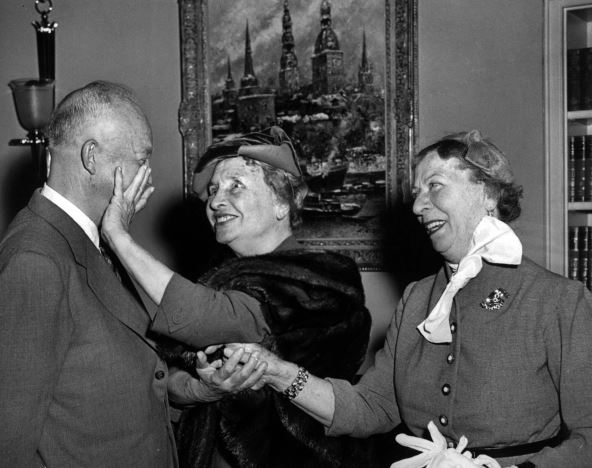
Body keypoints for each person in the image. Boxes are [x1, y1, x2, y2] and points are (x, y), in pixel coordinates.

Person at [225, 130, 592, 468]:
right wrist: (276, 371)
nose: (418, 206)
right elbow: (370, 407)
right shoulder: (417, 298)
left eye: (435, 186)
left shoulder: (559, 300)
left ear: (488, 194)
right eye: (417, 192)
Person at [0, 80, 261, 468]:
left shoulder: (91, 242)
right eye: (142, 160)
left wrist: (200, 389)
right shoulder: (35, 258)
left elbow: (111, 390)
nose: (149, 177)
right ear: (91, 157)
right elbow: (9, 440)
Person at [101, 126, 374, 467]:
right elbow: (167, 377)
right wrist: (202, 389)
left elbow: (214, 320)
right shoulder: (219, 281)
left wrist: (117, 235)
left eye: (236, 186)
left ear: (282, 202)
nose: (215, 201)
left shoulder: (321, 282)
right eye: (213, 190)